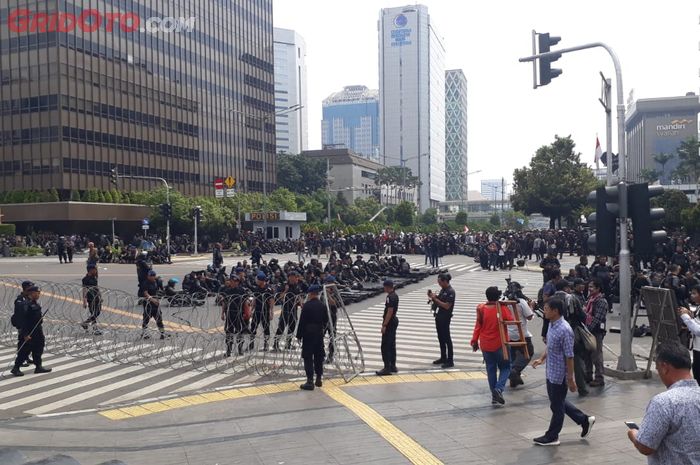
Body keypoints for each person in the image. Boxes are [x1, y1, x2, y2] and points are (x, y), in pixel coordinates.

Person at [531, 298, 595, 446]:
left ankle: (552, 436)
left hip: (560, 375)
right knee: (557, 402)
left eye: (547, 308)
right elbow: (551, 345)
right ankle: (584, 420)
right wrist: (541, 359)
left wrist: (570, 379)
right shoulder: (552, 325)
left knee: (556, 407)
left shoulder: (565, 330)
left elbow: (569, 356)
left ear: (555, 311)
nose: (544, 310)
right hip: (550, 372)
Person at [628, 341, 700, 464]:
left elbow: (646, 446)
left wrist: (633, 434)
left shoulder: (663, 402)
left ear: (665, 368)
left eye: (658, 369)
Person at [471, 286, 513, 405]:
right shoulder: (501, 308)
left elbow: (477, 326)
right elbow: (509, 319)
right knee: (506, 367)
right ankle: (498, 389)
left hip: (485, 344)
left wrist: (474, 341)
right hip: (500, 344)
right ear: (498, 297)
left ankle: (494, 396)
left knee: (491, 369)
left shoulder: (481, 308)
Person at [11, 285, 52, 376]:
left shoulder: (35, 303)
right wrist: (25, 334)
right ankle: (16, 367)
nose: (39, 294)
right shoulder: (25, 305)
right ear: (32, 293)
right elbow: (22, 320)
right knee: (25, 350)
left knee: (38, 347)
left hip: (37, 330)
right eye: (37, 293)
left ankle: (38, 366)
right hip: (29, 331)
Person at [296, 284, 329, 390]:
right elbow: (326, 320)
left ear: (310, 294)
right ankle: (319, 378)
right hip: (319, 333)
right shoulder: (322, 306)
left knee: (308, 357)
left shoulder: (307, 306)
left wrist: (299, 335)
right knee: (319, 356)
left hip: (308, 333)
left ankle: (310, 381)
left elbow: (302, 322)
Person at [507, 282, 535, 388]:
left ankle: (514, 381)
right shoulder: (521, 302)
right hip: (522, 334)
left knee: (514, 357)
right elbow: (529, 316)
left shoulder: (503, 302)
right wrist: (531, 306)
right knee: (529, 352)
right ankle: (513, 372)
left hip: (508, 335)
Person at [429, 273, 455, 368]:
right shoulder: (443, 290)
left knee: (447, 338)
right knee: (440, 337)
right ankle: (443, 357)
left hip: (445, 317)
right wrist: (433, 297)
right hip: (439, 316)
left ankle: (450, 360)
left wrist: (435, 299)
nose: (439, 284)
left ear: (445, 281)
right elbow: (439, 300)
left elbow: (446, 306)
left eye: (440, 282)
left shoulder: (451, 291)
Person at [584, 278, 608, 387]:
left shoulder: (601, 301)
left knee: (596, 355)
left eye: (592, 287)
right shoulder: (591, 299)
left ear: (598, 288)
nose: (589, 289)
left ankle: (599, 378)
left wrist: (588, 328)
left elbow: (597, 318)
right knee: (587, 354)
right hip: (588, 330)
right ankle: (588, 375)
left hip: (596, 331)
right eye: (589, 287)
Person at [274, 271, 305, 351]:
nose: (294, 278)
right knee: (281, 327)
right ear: (289, 277)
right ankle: (275, 344)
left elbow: (299, 296)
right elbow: (280, 298)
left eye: (295, 277)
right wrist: (285, 290)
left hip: (293, 309)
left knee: (292, 327)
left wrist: (301, 304)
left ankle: (288, 343)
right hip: (285, 310)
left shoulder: (297, 286)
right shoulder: (284, 285)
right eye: (292, 277)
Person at [220, 275, 250, 357]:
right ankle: (228, 350)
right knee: (229, 332)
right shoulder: (227, 291)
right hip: (229, 314)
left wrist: (247, 313)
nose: (231, 283)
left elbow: (245, 303)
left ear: (237, 282)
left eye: (233, 281)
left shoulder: (241, 291)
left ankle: (240, 349)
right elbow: (224, 303)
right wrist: (222, 313)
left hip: (239, 314)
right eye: (231, 281)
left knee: (240, 331)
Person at [677, 284, 700, 384]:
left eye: (694, 293)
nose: (691, 295)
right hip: (697, 348)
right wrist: (690, 315)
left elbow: (698, 330)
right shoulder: (698, 307)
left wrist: (685, 317)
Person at [376, 279, 399, 376]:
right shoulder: (395, 295)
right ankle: (393, 365)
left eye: (384, 287)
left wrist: (384, 325)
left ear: (387, 287)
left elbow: (389, 311)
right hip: (394, 321)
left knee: (385, 346)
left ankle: (387, 367)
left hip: (389, 323)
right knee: (392, 345)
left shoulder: (390, 297)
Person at [11, 281, 35, 368]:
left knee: (29, 343)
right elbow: (20, 315)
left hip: (29, 324)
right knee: (23, 343)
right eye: (30, 289)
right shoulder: (20, 300)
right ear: (25, 289)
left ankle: (26, 357)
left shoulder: (29, 298)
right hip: (23, 325)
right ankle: (21, 360)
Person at [250, 272, 274, 351]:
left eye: (257, 279)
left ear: (261, 280)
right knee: (253, 327)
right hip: (257, 310)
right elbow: (254, 299)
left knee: (266, 328)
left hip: (265, 311)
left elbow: (271, 301)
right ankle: (251, 344)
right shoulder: (257, 288)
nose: (256, 280)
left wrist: (271, 312)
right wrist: (251, 310)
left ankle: (266, 344)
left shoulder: (268, 289)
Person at [140, 270, 167, 339]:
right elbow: (145, 293)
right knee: (146, 320)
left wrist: (158, 298)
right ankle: (144, 334)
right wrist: (152, 299)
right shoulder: (145, 283)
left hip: (155, 304)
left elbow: (159, 290)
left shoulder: (156, 282)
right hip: (148, 304)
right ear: (148, 276)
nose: (152, 277)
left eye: (153, 276)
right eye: (150, 276)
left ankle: (162, 333)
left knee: (159, 320)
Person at [80, 264, 103, 335]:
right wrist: (84, 301)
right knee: (93, 313)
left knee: (97, 312)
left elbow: (97, 287)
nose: (96, 271)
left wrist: (100, 296)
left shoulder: (94, 278)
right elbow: (84, 289)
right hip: (90, 298)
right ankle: (95, 329)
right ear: (91, 270)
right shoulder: (85, 279)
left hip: (96, 297)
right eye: (95, 269)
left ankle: (85, 323)